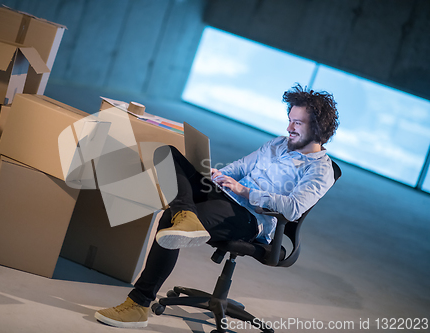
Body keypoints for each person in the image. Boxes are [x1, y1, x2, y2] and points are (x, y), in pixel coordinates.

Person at [94, 84, 339, 328]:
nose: (289, 128)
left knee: (171, 219)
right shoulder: (277, 143)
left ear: (317, 127)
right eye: (289, 120)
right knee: (167, 153)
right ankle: (186, 215)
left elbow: (293, 208)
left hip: (251, 218)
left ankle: (138, 304)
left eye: (297, 123)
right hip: (225, 195)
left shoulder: (319, 169)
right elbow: (242, 167)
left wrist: (245, 191)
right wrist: (218, 174)